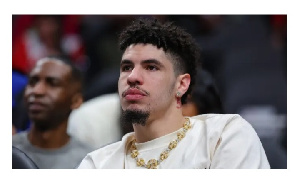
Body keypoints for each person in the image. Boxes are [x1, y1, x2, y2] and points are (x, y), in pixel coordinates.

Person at [77, 18, 270, 169]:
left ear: (182, 84)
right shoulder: (97, 164)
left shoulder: (225, 136)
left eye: (151, 67)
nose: (133, 77)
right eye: (126, 67)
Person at [12, 55, 93, 169]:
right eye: (32, 82)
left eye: (52, 83)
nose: (37, 91)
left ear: (76, 101)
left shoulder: (91, 162)